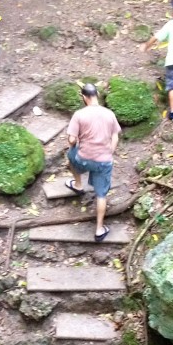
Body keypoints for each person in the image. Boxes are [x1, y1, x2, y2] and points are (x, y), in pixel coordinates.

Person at [66, 83, 121, 242]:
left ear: (84, 97)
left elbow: (71, 139)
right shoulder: (109, 114)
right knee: (101, 195)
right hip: (103, 161)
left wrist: (73, 145)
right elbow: (115, 136)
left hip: (83, 159)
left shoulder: (79, 115)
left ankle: (78, 184)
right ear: (97, 94)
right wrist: (109, 152)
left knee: (70, 155)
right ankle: (99, 229)